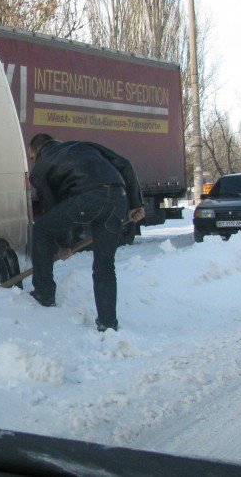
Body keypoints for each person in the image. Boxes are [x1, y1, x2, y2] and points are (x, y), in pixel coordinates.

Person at [27, 133, 146, 332]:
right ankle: (108, 323)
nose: (33, 162)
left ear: (35, 152)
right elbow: (125, 164)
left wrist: (64, 245)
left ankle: (44, 293)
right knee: (104, 263)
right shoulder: (84, 145)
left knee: (41, 229)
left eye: (32, 158)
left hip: (88, 198)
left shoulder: (40, 169)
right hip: (117, 196)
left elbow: (52, 207)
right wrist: (135, 203)